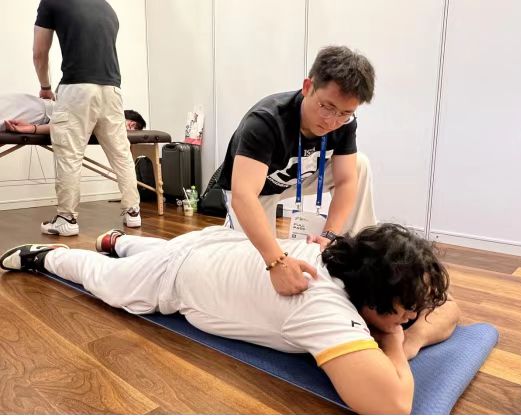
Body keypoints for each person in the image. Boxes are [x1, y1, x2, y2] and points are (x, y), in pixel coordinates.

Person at [0, 223, 460, 414]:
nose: (415, 316)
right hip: (175, 277)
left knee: (158, 251)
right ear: (373, 302)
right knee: (108, 283)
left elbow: (450, 308)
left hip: (213, 245)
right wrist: (395, 340)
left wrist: (407, 336)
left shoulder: (354, 261)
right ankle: (49, 255)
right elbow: (392, 405)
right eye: (406, 312)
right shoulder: (322, 304)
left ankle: (119, 239)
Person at [216, 45, 377, 296]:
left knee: (359, 165)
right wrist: (276, 261)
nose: (332, 121)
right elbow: (243, 195)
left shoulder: (345, 123)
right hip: (256, 190)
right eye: (327, 107)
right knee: (253, 265)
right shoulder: (265, 121)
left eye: (345, 113)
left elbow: (346, 180)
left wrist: (330, 234)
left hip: (298, 175)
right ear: (307, 87)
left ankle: (360, 259)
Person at [32, 0, 142, 236]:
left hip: (77, 89)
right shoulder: (107, 7)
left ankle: (66, 219)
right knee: (121, 154)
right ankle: (133, 212)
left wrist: (45, 86)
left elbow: (39, 54)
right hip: (112, 90)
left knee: (69, 155)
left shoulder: (51, 1)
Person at [0, 93, 147, 133]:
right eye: (133, 125)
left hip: (37, 111)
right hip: (38, 110)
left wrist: (32, 128)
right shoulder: (103, 116)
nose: (130, 129)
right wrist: (32, 129)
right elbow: (66, 124)